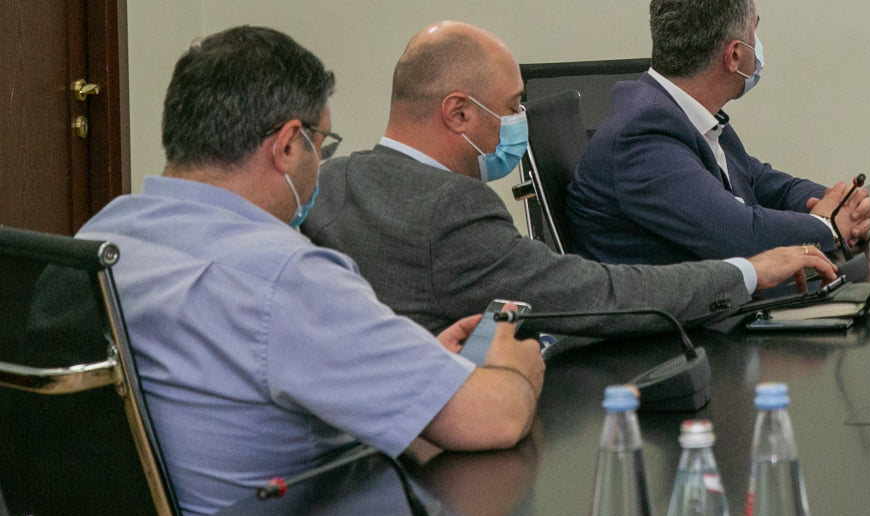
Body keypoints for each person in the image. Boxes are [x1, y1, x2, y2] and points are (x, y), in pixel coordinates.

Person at [76, 26, 545, 516]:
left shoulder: (99, 238)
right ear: (286, 146)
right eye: (321, 144)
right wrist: (511, 368)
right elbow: (496, 418)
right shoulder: (286, 278)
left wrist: (416, 363)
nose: (321, 162)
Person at [302, 22, 838, 336]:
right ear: (458, 113)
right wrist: (747, 271)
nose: (521, 121)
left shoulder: (329, 183)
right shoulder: (453, 209)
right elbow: (599, 295)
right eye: (513, 106)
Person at [568, 0, 870, 265]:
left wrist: (843, 207)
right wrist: (828, 227)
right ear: (734, 55)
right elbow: (740, 236)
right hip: (681, 301)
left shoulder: (690, 115)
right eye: (754, 31)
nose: (758, 45)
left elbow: (765, 185)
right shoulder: (643, 135)